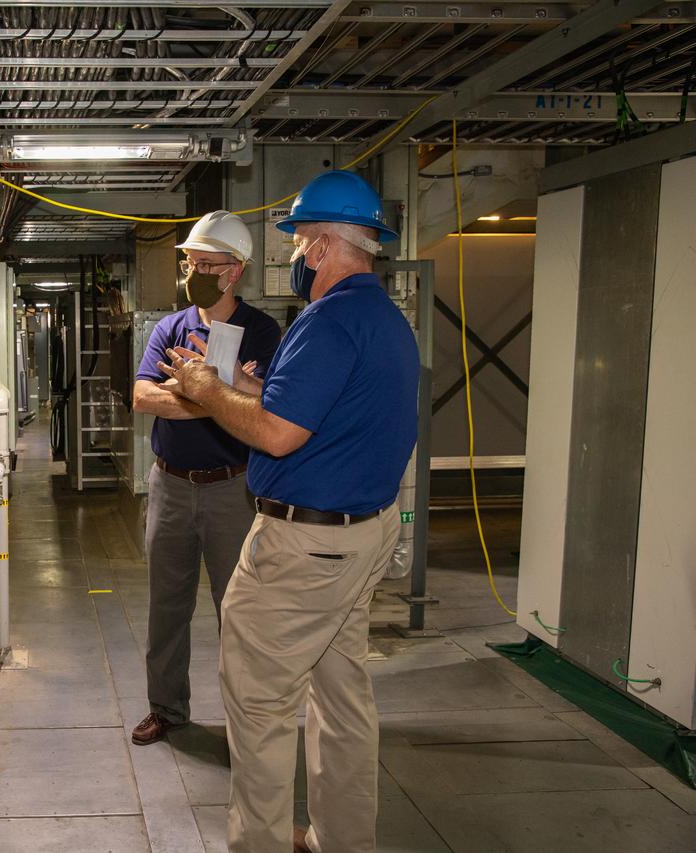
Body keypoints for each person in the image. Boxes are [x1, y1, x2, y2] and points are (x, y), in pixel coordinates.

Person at [158, 171, 418, 853]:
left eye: (302, 245)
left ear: (327, 246)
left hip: (303, 551)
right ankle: (341, 836)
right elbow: (322, 414)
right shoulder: (385, 320)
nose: (298, 259)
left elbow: (275, 434)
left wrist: (209, 389)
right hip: (364, 538)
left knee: (261, 705)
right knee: (342, 699)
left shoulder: (326, 321)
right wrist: (253, 387)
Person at [130, 211, 281, 747]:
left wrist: (200, 395)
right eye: (191, 261)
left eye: (205, 263)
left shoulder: (262, 332)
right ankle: (166, 709)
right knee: (165, 605)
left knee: (237, 610)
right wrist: (218, 397)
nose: (194, 270)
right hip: (169, 485)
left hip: (231, 490)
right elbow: (143, 396)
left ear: (234, 272)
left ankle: (247, 724)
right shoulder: (170, 328)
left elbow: (267, 405)